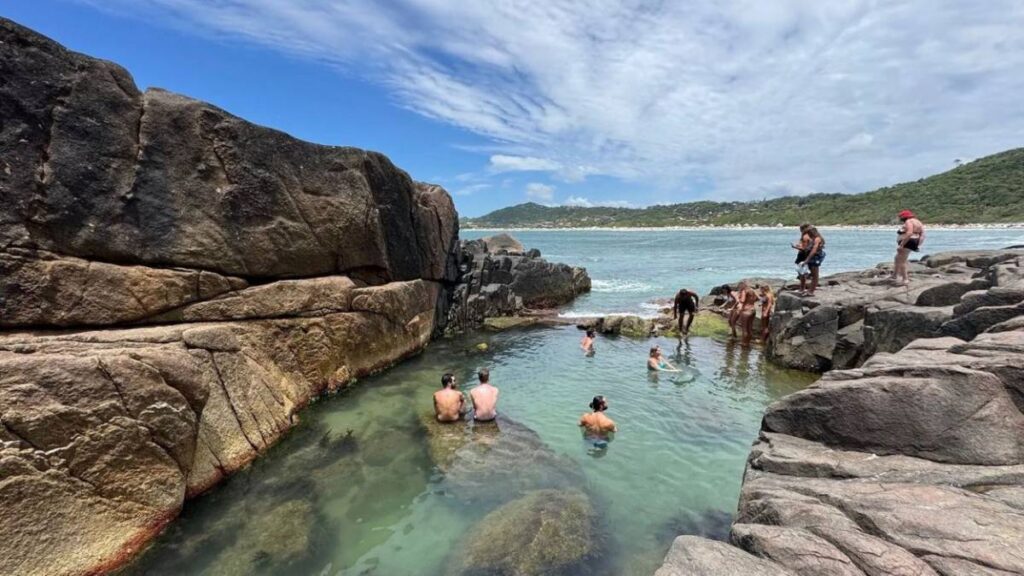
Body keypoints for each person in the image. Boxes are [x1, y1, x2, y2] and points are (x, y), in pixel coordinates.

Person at [894, 210, 925, 286]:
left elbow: (909, 232)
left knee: (902, 261)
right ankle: (895, 275)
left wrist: (902, 244)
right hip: (914, 241)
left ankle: (905, 279)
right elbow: (923, 235)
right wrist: (917, 245)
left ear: (904, 217)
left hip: (908, 241)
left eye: (901, 217)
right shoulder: (918, 222)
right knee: (897, 258)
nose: (900, 219)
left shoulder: (908, 221)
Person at [803, 226, 826, 296]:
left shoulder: (817, 239)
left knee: (815, 275)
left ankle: (811, 291)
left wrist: (807, 260)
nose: (808, 235)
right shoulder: (813, 239)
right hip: (812, 258)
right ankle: (810, 290)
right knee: (813, 275)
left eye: (809, 234)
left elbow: (814, 250)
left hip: (815, 258)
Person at [792, 223, 812, 293]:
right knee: (802, 272)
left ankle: (802, 288)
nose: (800, 230)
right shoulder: (809, 236)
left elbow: (804, 248)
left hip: (803, 256)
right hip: (804, 255)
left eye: (801, 229)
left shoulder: (805, 237)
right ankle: (802, 288)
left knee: (801, 273)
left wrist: (796, 247)